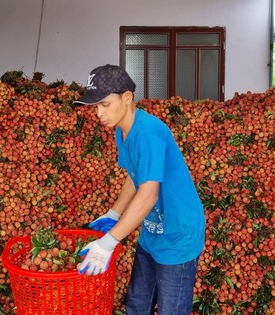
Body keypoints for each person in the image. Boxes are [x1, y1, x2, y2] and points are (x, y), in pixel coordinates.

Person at [75, 64, 205, 315]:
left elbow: (148, 194)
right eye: (96, 107)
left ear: (127, 98)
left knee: (171, 310)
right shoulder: (123, 131)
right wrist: (114, 213)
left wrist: (109, 242)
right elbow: (135, 177)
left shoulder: (148, 133)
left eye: (105, 104)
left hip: (178, 234)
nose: (99, 113)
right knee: (137, 304)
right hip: (152, 231)